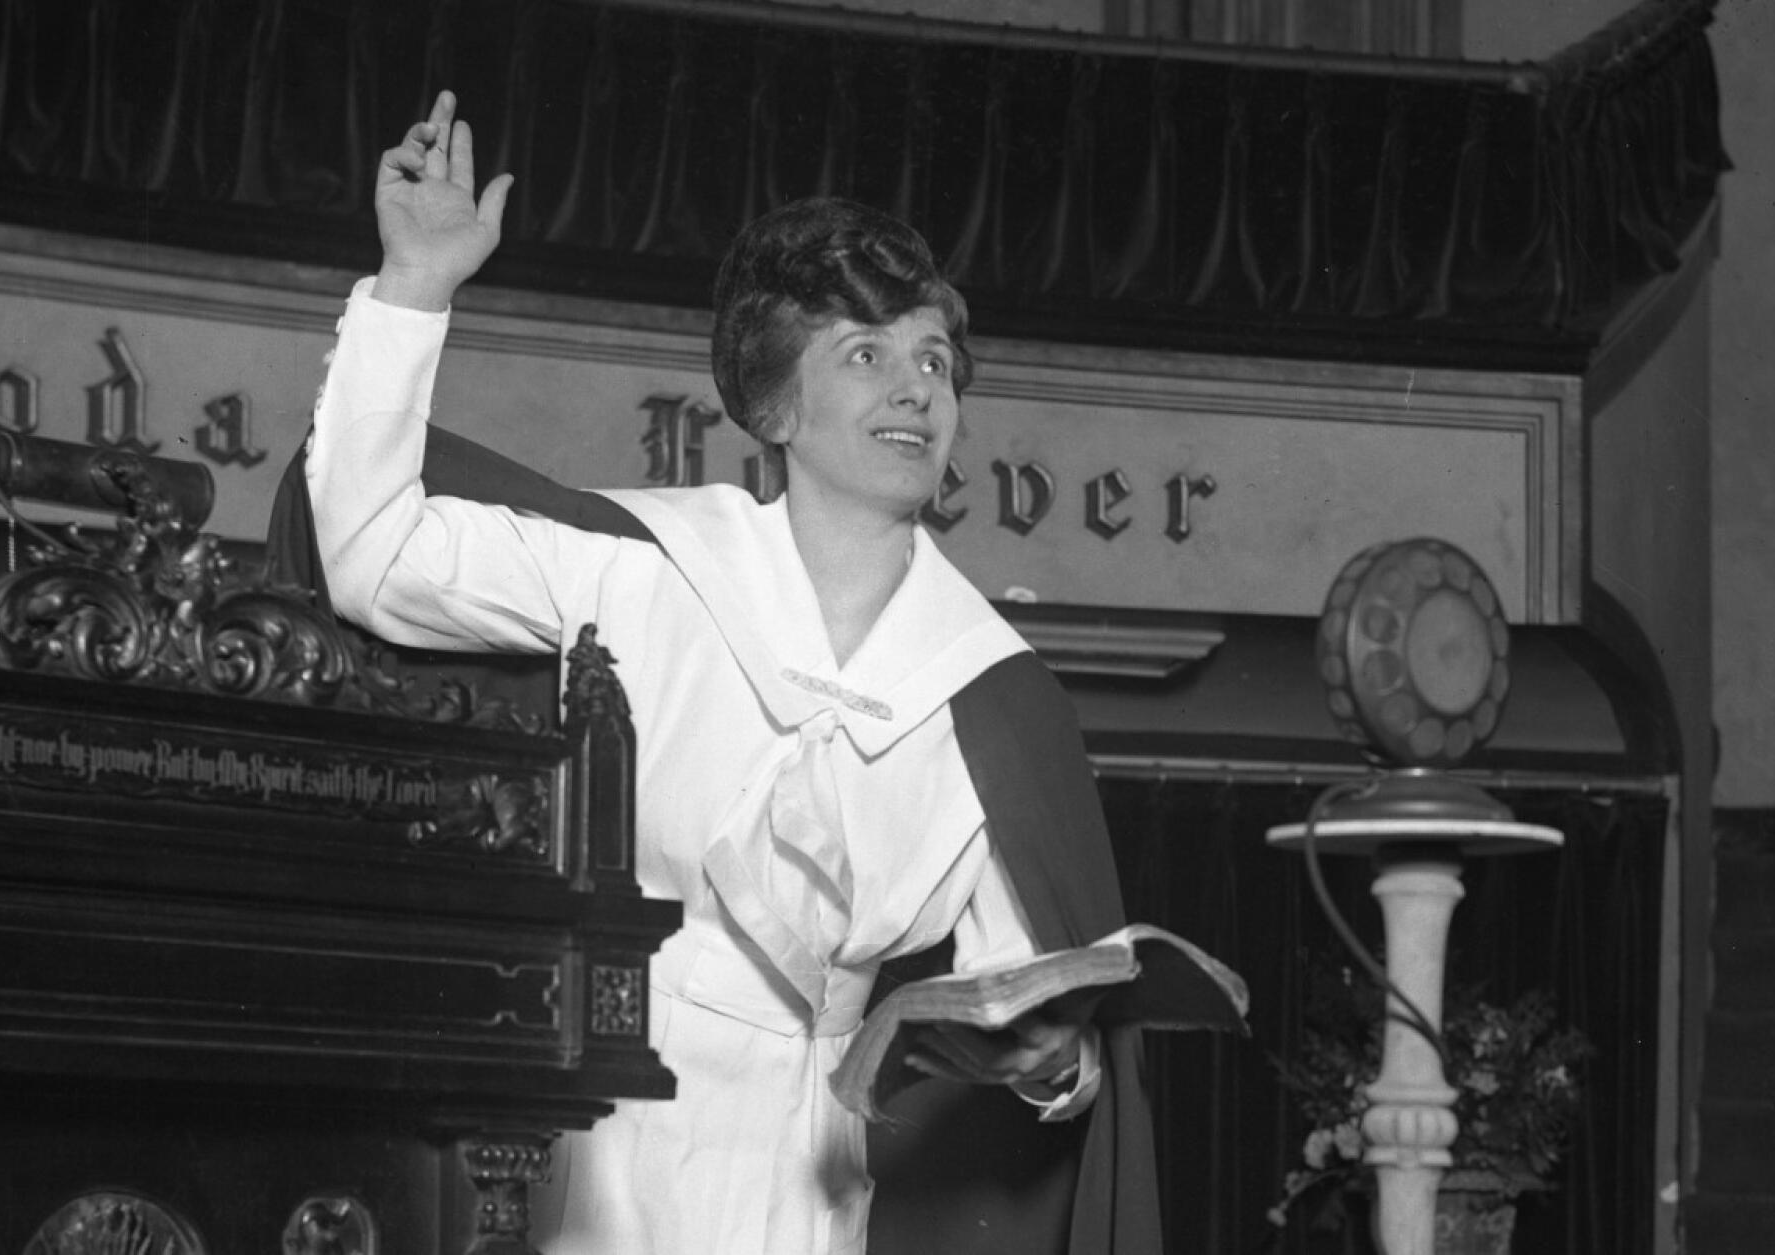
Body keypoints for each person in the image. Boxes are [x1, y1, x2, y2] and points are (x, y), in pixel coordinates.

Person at [285, 90, 1163, 1255]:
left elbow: (1008, 999)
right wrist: (415, 288)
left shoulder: (988, 694)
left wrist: (1056, 1065)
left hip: (815, 1174)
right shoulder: (645, 572)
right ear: (775, 402)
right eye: (865, 353)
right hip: (596, 1148)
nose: (916, 389)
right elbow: (370, 556)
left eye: (934, 360)